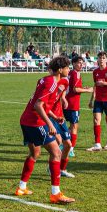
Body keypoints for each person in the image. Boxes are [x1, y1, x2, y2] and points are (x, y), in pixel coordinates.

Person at [16, 56, 75, 204]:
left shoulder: (45, 80)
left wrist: (55, 116)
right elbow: (37, 105)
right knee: (56, 153)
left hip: (26, 120)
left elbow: (43, 105)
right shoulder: (52, 83)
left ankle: (21, 187)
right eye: (67, 67)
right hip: (35, 122)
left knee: (35, 152)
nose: (69, 70)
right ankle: (55, 193)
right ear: (60, 70)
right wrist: (49, 124)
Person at [87, 51, 107, 151]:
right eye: (99, 58)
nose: (101, 59)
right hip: (98, 100)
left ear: (106, 60)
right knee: (96, 120)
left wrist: (104, 83)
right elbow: (95, 85)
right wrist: (91, 99)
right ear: (97, 59)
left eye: (103, 58)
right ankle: (97, 144)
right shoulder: (95, 71)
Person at [63, 54, 93, 156]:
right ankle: (71, 148)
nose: (81, 65)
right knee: (74, 126)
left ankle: (64, 143)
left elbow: (73, 87)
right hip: (73, 104)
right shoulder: (76, 73)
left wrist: (82, 87)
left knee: (70, 126)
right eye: (78, 63)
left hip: (67, 102)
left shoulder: (70, 73)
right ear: (74, 63)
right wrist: (87, 90)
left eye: (82, 63)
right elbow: (75, 89)